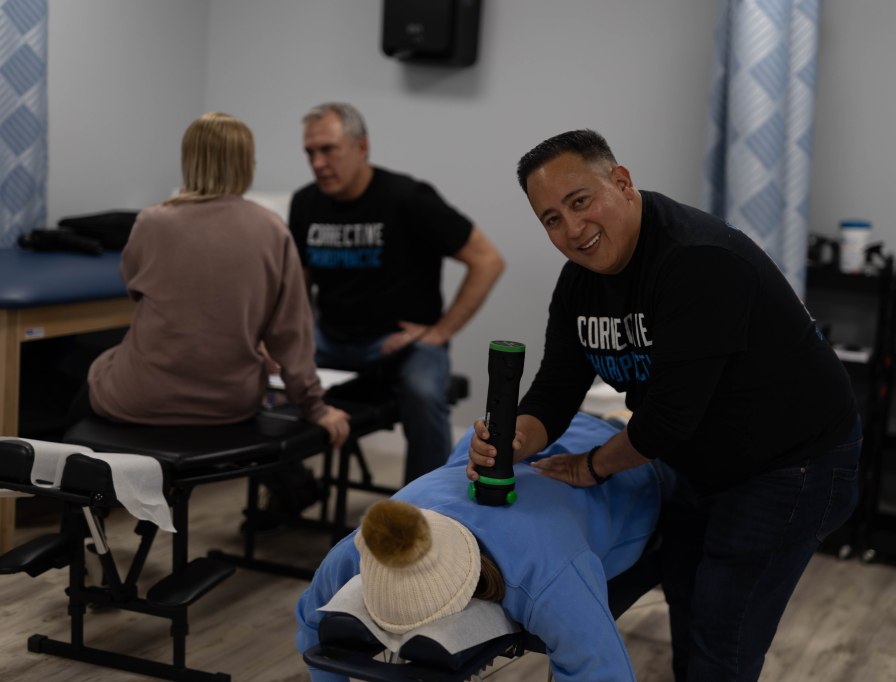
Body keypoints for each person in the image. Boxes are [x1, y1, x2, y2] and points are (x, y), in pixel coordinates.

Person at [466, 129, 862, 681]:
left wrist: (591, 466)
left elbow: (668, 421)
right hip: (702, 455)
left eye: (580, 202)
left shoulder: (697, 260)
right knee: (688, 595)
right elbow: (556, 387)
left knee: (722, 639)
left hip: (791, 463)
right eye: (551, 219)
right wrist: (517, 439)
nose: (572, 229)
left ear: (622, 182)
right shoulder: (580, 282)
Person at [296, 412, 675, 682]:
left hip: (624, 460)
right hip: (522, 441)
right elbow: (311, 615)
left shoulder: (547, 572)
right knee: (479, 447)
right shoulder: (367, 544)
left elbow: (602, 671)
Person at [83, 112, 349, 449]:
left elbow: (132, 286)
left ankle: (61, 478)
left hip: (140, 398)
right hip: (230, 404)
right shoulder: (272, 230)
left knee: (91, 369)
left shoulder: (152, 222)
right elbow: (291, 337)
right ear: (246, 164)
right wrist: (315, 407)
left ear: (189, 161)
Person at [289, 102, 504, 484]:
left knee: (424, 392)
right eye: (310, 152)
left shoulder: (407, 197)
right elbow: (298, 281)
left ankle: (425, 507)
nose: (318, 163)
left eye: (328, 150)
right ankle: (293, 489)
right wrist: (289, 339)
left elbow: (487, 260)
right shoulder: (306, 202)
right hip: (331, 339)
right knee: (259, 376)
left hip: (401, 343)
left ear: (361, 147)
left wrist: (440, 331)